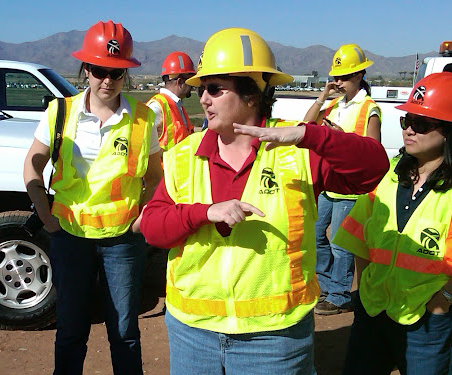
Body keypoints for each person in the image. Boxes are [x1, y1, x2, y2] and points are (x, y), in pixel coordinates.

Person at [139, 27, 389, 374]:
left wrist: (308, 134)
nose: (204, 99)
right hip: (193, 334)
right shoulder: (185, 155)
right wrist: (205, 213)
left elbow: (373, 169)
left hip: (274, 342)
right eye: (201, 89)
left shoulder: (297, 151)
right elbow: (152, 228)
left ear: (252, 93)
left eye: (214, 88)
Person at [333, 72, 452, 375]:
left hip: (428, 322)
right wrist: (364, 289)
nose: (409, 130)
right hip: (374, 310)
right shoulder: (390, 175)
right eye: (406, 121)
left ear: (451, 128)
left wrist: (442, 302)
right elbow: (360, 236)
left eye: (422, 124)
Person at [23, 20, 162, 375]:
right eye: (99, 70)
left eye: (116, 73)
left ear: (125, 74)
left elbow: (155, 177)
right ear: (86, 69)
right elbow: (33, 165)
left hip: (122, 242)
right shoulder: (60, 113)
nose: (107, 80)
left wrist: (141, 217)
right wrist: (46, 214)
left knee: (124, 333)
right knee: (71, 331)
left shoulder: (143, 119)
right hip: (70, 238)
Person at [303, 44, 381, 315]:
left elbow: (374, 150)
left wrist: (340, 137)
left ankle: (339, 294)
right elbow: (307, 126)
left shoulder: (368, 107)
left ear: (359, 75)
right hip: (328, 185)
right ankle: (325, 284)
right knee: (314, 235)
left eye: (344, 77)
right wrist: (322, 96)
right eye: (335, 77)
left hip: (349, 189)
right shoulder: (335, 105)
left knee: (341, 242)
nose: (338, 82)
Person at [146, 51, 195, 151]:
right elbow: (140, 143)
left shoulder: (176, 106)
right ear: (180, 82)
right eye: (190, 80)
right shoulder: (157, 107)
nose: (192, 85)